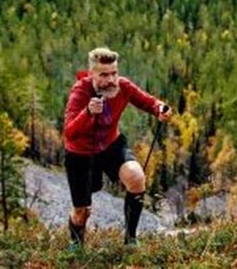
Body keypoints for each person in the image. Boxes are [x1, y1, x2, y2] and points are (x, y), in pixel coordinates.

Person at [63, 47, 173, 249]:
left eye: (114, 73)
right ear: (91, 75)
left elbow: (147, 101)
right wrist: (87, 112)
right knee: (82, 211)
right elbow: (69, 132)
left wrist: (160, 108)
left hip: (110, 145)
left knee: (136, 178)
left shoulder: (123, 86)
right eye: (104, 75)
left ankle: (130, 240)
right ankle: (76, 245)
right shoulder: (80, 92)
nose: (111, 80)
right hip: (81, 154)